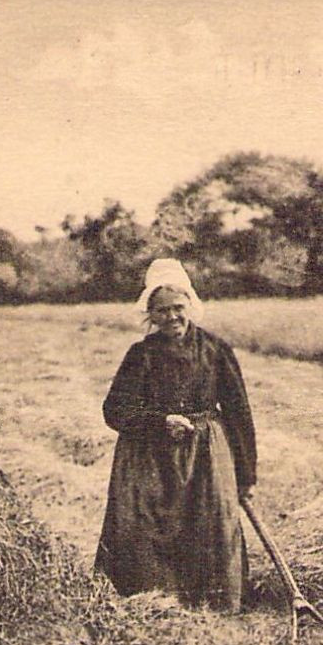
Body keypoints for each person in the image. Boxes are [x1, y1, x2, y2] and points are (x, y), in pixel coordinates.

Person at [95, 259, 256, 611]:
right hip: (150, 460)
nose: (172, 318)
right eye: (162, 311)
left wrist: (245, 474)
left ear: (191, 306)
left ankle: (213, 603)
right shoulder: (140, 356)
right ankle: (154, 602)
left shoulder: (216, 351)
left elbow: (240, 415)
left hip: (206, 456)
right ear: (150, 315)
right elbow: (115, 411)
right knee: (148, 529)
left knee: (211, 525)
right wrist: (159, 422)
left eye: (178, 308)